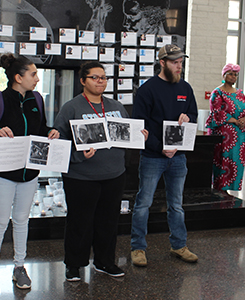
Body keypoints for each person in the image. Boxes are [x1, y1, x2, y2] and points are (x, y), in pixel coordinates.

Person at [53, 61, 147, 282]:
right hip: (81, 176)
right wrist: (77, 155)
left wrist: (139, 135)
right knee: (80, 222)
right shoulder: (72, 107)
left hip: (114, 174)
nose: (100, 81)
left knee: (108, 221)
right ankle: (74, 265)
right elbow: (59, 140)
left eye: (103, 78)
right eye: (95, 77)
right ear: (83, 81)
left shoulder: (116, 105)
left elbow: (126, 133)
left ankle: (105, 262)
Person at [0, 54, 59, 293]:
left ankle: (19, 266)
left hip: (29, 173)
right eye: (33, 74)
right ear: (18, 77)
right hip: (2, 173)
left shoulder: (37, 99)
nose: (37, 79)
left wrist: (50, 131)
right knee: (0, 221)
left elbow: (40, 127)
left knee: (22, 220)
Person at [130, 44, 198, 267]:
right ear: (162, 63)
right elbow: (140, 126)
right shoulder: (147, 90)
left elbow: (193, 115)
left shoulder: (185, 88)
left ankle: (179, 245)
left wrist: (188, 117)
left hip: (178, 157)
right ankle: (138, 248)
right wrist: (160, 147)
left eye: (181, 62)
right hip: (152, 157)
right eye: (175, 62)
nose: (179, 66)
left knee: (176, 204)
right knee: (143, 203)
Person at [205, 63, 245, 193]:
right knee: (223, 162)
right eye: (231, 74)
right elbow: (216, 112)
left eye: (236, 75)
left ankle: (229, 191)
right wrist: (235, 121)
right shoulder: (217, 92)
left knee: (235, 163)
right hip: (223, 134)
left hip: (238, 136)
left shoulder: (240, 93)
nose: (233, 77)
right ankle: (220, 192)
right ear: (224, 75)